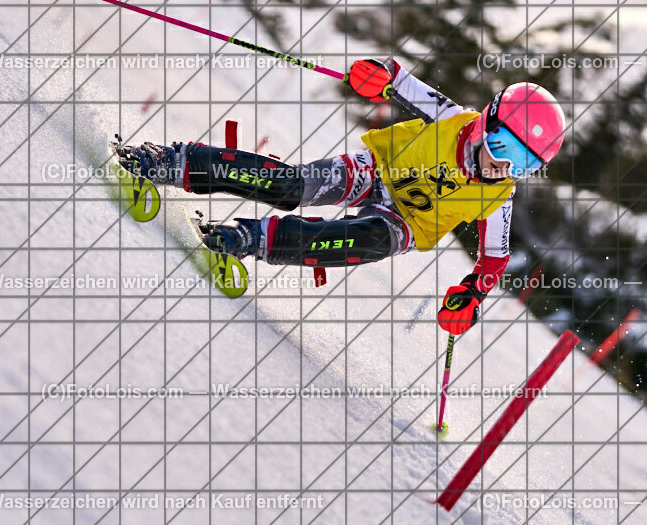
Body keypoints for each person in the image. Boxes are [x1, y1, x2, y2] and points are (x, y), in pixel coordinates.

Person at [112, 58, 566, 334]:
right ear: (486, 122)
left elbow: (493, 261)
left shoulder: (498, 198)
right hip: (379, 172)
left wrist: (471, 295)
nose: (504, 167)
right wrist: (377, 74)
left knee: (363, 241)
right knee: (292, 186)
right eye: (504, 148)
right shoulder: (450, 117)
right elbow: (398, 78)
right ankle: (172, 162)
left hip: (405, 224)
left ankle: (249, 239)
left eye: (524, 165)